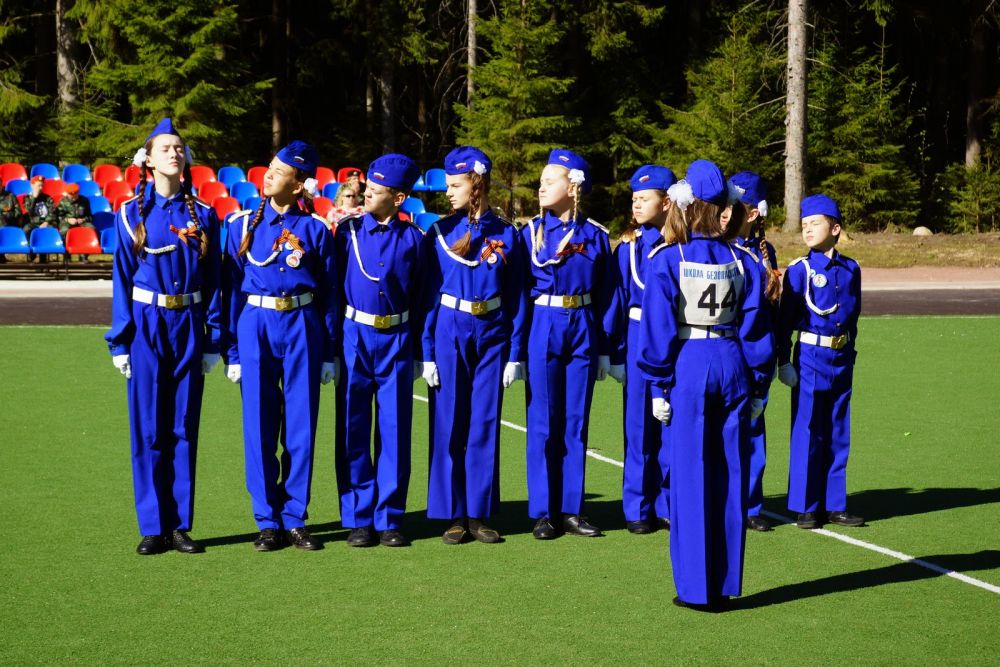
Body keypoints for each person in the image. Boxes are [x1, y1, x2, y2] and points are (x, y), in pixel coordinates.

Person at [637, 159, 774, 611]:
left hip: (689, 364)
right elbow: (756, 330)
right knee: (731, 474)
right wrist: (758, 386)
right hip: (733, 360)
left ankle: (696, 588)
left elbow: (657, 331)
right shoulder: (745, 260)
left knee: (690, 475)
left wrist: (657, 387)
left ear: (684, 205)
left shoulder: (667, 259)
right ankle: (725, 582)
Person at [104, 117, 223, 555]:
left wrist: (212, 338)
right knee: (149, 427)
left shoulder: (205, 214)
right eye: (165, 147)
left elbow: (215, 280)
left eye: (179, 147)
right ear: (148, 160)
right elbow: (122, 278)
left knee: (183, 426)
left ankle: (179, 525)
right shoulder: (129, 213)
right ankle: (153, 525)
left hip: (189, 322)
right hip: (147, 325)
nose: (174, 153)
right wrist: (120, 341)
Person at [223, 140, 338, 552]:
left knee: (301, 425)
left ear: (299, 183)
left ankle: (295, 518)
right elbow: (230, 292)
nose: (268, 174)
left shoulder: (316, 229)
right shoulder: (240, 225)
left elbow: (329, 295)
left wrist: (328, 352)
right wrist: (232, 351)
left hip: (303, 324)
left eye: (279, 170)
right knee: (259, 424)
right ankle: (267, 520)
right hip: (255, 323)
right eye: (269, 166)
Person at [420, 146, 527, 545]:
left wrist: (515, 353)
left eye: (455, 185)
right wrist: (427, 352)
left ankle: (478, 512)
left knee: (484, 420)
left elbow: (517, 297)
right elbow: (428, 297)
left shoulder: (508, 234)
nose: (448, 192)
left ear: (476, 184)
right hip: (450, 328)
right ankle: (453, 513)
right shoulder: (439, 233)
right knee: (449, 419)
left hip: (492, 331)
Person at [521, 148, 623, 540]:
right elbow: (519, 294)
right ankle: (544, 512)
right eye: (541, 181)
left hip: (582, 323)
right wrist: (516, 349)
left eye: (550, 181)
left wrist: (605, 349)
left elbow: (607, 295)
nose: (541, 187)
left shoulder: (595, 235)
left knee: (576, 421)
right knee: (543, 421)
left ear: (573, 186)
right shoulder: (529, 233)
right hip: (543, 322)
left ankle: (571, 509)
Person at [334, 153, 424, 548]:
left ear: (399, 198)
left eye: (375, 190)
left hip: (398, 338)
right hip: (354, 336)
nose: (366, 194)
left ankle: (389, 517)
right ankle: (359, 517)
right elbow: (334, 290)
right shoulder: (347, 233)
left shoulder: (415, 239)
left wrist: (421, 350)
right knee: (353, 426)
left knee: (395, 429)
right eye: (367, 188)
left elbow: (422, 297)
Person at [777, 193, 864, 530]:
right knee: (808, 429)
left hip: (841, 357)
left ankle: (835, 504)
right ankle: (806, 505)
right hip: (811, 357)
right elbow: (785, 321)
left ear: (836, 228)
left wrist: (850, 352)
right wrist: (784, 360)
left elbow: (853, 316)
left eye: (815, 223)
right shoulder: (800, 271)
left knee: (838, 430)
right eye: (804, 224)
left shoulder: (851, 269)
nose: (808, 229)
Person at [613, 164, 676, 535]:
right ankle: (637, 507)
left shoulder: (682, 245)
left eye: (644, 198)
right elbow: (619, 300)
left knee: (670, 422)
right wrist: (617, 352)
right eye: (633, 198)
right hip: (638, 336)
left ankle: (667, 503)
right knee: (638, 425)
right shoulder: (630, 247)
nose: (636, 204)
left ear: (666, 202)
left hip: (674, 339)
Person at [727, 171, 781, 532]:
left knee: (752, 430)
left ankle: (749, 504)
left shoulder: (765, 252)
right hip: (724, 348)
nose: (724, 213)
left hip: (756, 352)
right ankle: (722, 501)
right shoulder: (717, 247)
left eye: (733, 207)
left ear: (752, 213)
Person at [57, 182, 95, 262]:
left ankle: (84, 254)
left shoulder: (84, 200)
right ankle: (66, 254)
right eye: (71, 194)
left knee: (91, 229)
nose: (73, 196)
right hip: (67, 222)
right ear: (67, 194)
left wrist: (83, 220)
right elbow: (58, 216)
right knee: (64, 231)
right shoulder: (63, 201)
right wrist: (68, 220)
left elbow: (89, 216)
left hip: (81, 222)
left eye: (75, 194)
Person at [23, 175, 56, 262]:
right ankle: (32, 252)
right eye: (38, 186)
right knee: (26, 229)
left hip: (46, 223)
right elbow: (28, 212)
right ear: (32, 185)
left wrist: (46, 222)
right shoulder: (27, 198)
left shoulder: (47, 198)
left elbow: (53, 212)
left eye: (42, 186)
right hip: (33, 223)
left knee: (50, 229)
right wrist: (34, 198)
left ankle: (43, 256)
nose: (41, 188)